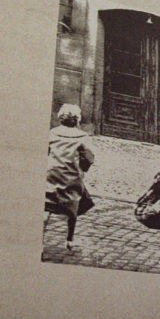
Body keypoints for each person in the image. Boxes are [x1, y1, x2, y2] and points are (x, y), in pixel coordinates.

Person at [46, 103, 95, 252]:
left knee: (47, 205)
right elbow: (88, 158)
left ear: (60, 117)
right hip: (71, 176)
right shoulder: (82, 137)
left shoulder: (52, 133)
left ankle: (39, 241)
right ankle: (69, 240)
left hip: (51, 174)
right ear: (77, 120)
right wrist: (82, 170)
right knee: (73, 206)